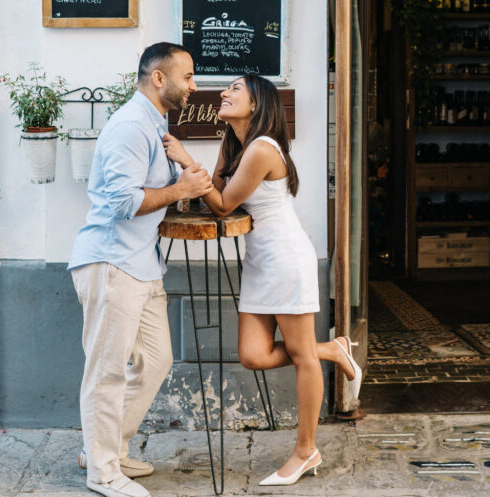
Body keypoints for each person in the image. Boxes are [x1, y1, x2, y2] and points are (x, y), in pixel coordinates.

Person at [162, 74, 361, 487]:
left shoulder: (262, 148)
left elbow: (221, 205)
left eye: (235, 89)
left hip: (286, 259)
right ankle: (333, 348)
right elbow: (213, 190)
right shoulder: (235, 144)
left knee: (301, 358)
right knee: (252, 355)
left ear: (257, 103)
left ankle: (306, 450)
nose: (224, 93)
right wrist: (200, 175)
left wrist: (184, 160)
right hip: (260, 262)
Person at [68, 42, 213, 497]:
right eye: (187, 77)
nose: (193, 86)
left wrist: (182, 177)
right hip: (112, 262)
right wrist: (181, 188)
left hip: (141, 264)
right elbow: (123, 202)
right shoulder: (132, 127)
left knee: (156, 360)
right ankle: (103, 472)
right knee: (107, 371)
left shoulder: (153, 125)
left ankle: (104, 449)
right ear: (158, 78)